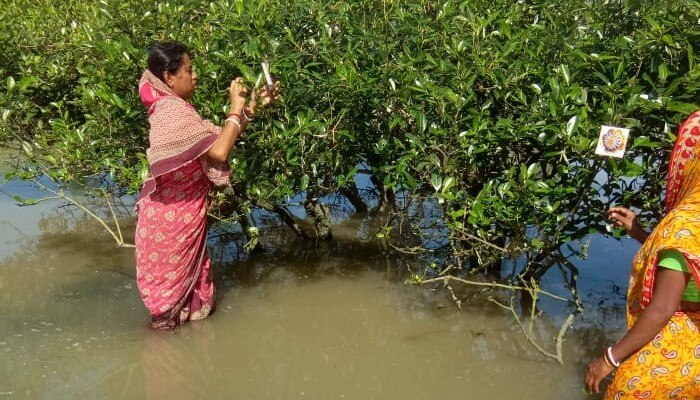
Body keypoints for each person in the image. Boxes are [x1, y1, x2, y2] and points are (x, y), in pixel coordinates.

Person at [134, 41, 278, 330]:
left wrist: (252, 108)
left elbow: (219, 137)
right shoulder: (170, 112)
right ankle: (161, 362)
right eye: (189, 69)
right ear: (169, 77)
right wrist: (235, 108)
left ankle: (186, 365)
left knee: (188, 307)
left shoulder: (179, 110)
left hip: (181, 222)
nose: (195, 75)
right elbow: (220, 152)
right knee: (166, 315)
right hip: (170, 226)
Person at [585, 110, 700, 398]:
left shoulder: (684, 223)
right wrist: (640, 232)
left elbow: (663, 308)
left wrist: (610, 358)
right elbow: (682, 261)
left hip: (684, 344)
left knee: (628, 389)